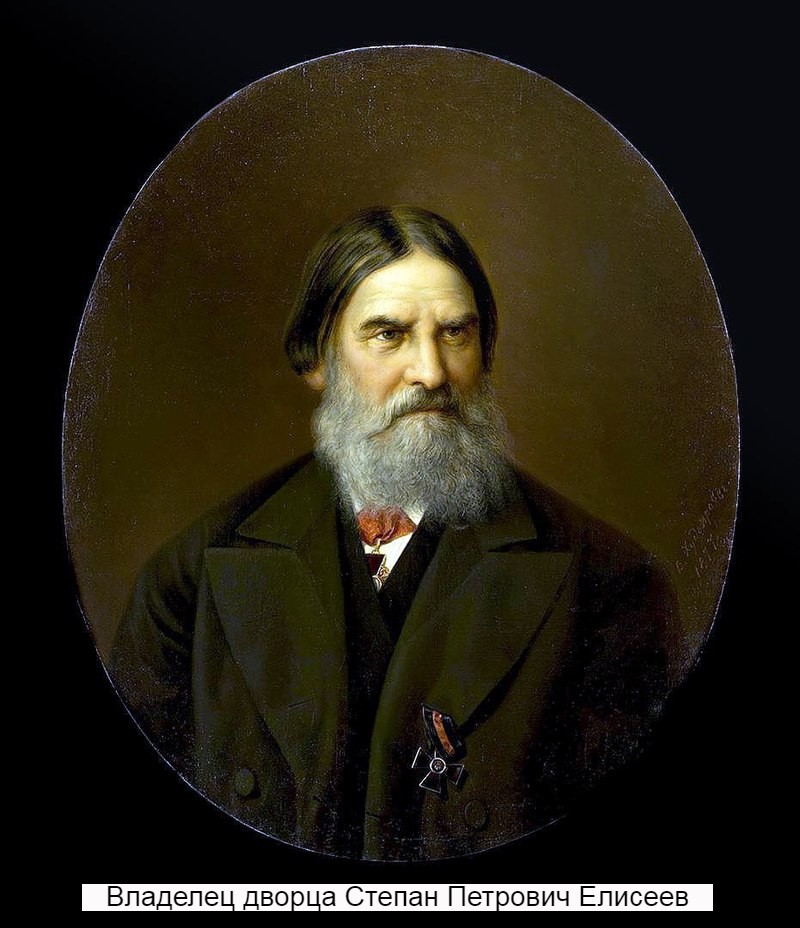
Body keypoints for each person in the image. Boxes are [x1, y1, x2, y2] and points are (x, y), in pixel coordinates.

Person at [111, 206, 686, 861]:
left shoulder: (608, 583)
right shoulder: (193, 579)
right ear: (317, 358)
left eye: (455, 334)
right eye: (389, 334)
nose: (432, 373)